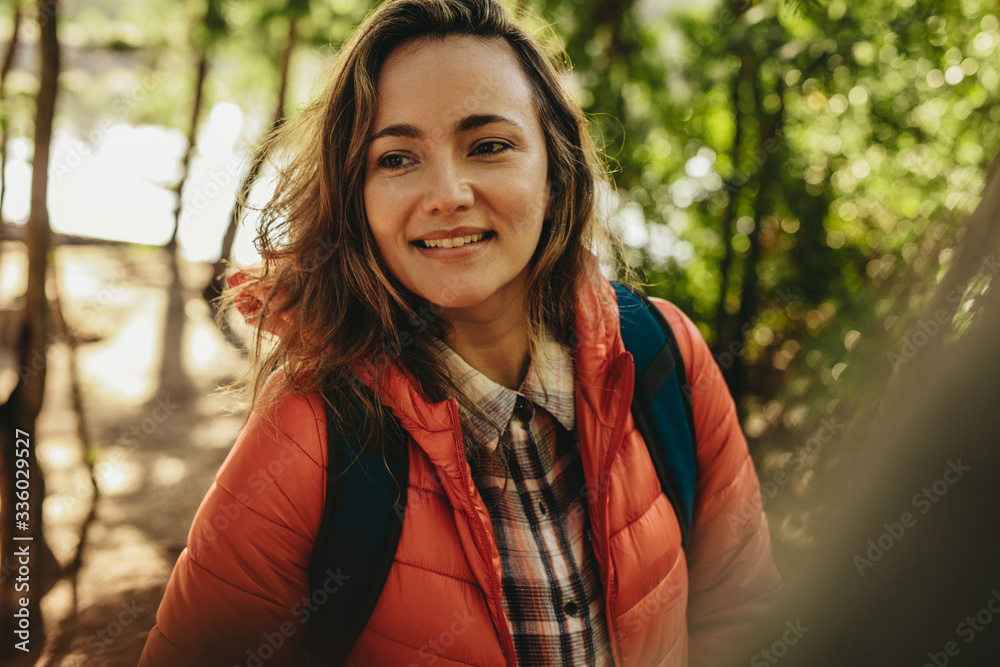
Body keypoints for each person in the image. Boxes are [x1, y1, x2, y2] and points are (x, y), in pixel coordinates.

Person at [139, 0, 780, 665]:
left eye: (488, 145)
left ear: (555, 173)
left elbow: (743, 617)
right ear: (356, 198)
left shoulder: (662, 356)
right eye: (396, 159)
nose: (447, 193)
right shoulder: (307, 436)